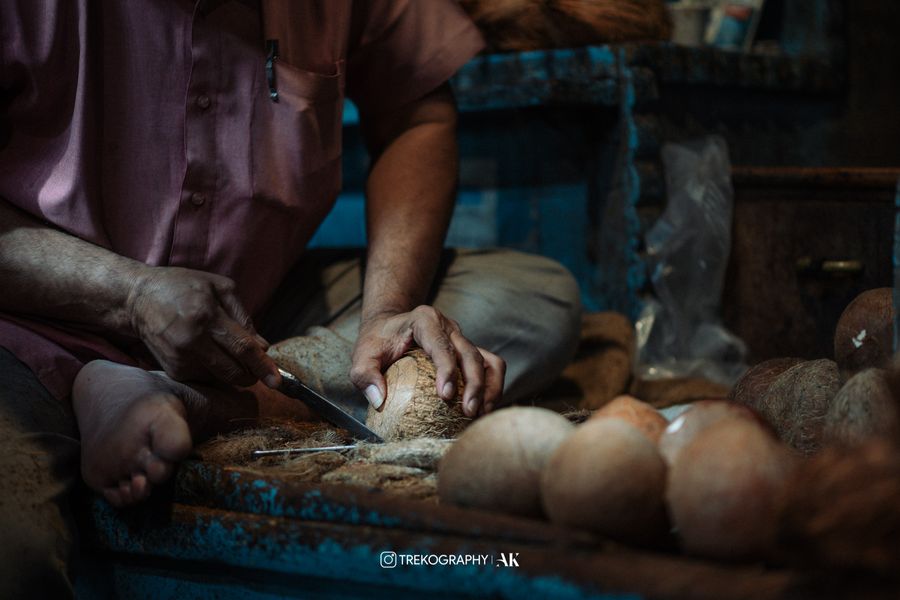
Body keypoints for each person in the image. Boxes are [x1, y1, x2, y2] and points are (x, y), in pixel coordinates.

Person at [0, 0, 581, 596]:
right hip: (31, 327)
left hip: (252, 311)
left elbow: (415, 115)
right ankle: (166, 390)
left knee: (535, 297)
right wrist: (128, 294)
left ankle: (184, 397)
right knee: (14, 559)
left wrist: (386, 308)